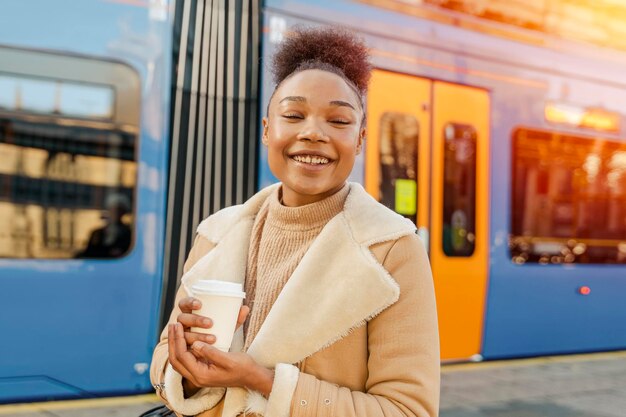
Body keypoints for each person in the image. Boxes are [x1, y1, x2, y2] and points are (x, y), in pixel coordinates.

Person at [150, 26, 440, 417]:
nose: (312, 133)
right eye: (293, 114)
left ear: (360, 139)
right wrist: (184, 363)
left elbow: (409, 411)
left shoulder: (392, 249)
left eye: (338, 121)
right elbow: (166, 365)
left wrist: (263, 381)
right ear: (268, 131)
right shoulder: (217, 233)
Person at [76, 193, 132, 258]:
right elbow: (90, 253)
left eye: (119, 210)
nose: (115, 213)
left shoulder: (128, 234)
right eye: (113, 209)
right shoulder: (97, 233)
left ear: (123, 212)